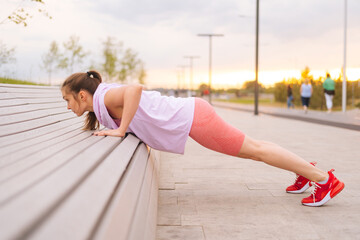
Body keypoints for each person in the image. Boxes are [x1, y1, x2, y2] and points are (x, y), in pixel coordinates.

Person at [61, 70, 345, 207]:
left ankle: (323, 179)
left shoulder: (106, 96)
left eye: (67, 100)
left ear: (82, 95)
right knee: (255, 147)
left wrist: (121, 129)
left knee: (254, 150)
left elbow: (135, 89)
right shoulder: (100, 102)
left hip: (194, 117)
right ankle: (306, 172)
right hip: (193, 115)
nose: (67, 106)